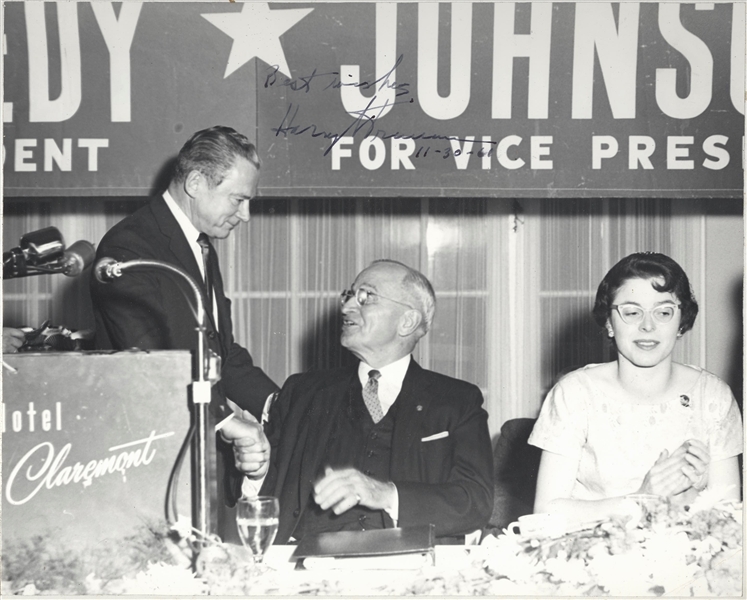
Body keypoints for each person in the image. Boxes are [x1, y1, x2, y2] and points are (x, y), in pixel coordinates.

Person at [231, 259, 494, 544]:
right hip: (308, 568)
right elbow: (265, 497)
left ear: (407, 321)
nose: (346, 308)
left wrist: (385, 494)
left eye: (366, 297)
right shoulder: (302, 392)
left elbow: (475, 501)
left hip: (410, 569)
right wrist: (256, 471)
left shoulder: (457, 400)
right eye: (349, 295)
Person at [90, 126, 279, 504]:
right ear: (195, 182)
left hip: (196, 454)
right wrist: (227, 420)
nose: (245, 215)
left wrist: (281, 406)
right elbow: (155, 363)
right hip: (152, 461)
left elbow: (220, 355)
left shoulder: (199, 244)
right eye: (238, 199)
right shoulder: (130, 245)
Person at [529, 252, 743, 523]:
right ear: (609, 321)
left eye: (663, 312)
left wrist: (694, 497)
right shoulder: (574, 393)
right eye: (632, 312)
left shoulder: (713, 397)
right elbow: (545, 512)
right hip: (591, 554)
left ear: (681, 322)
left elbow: (730, 519)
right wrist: (642, 500)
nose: (647, 326)